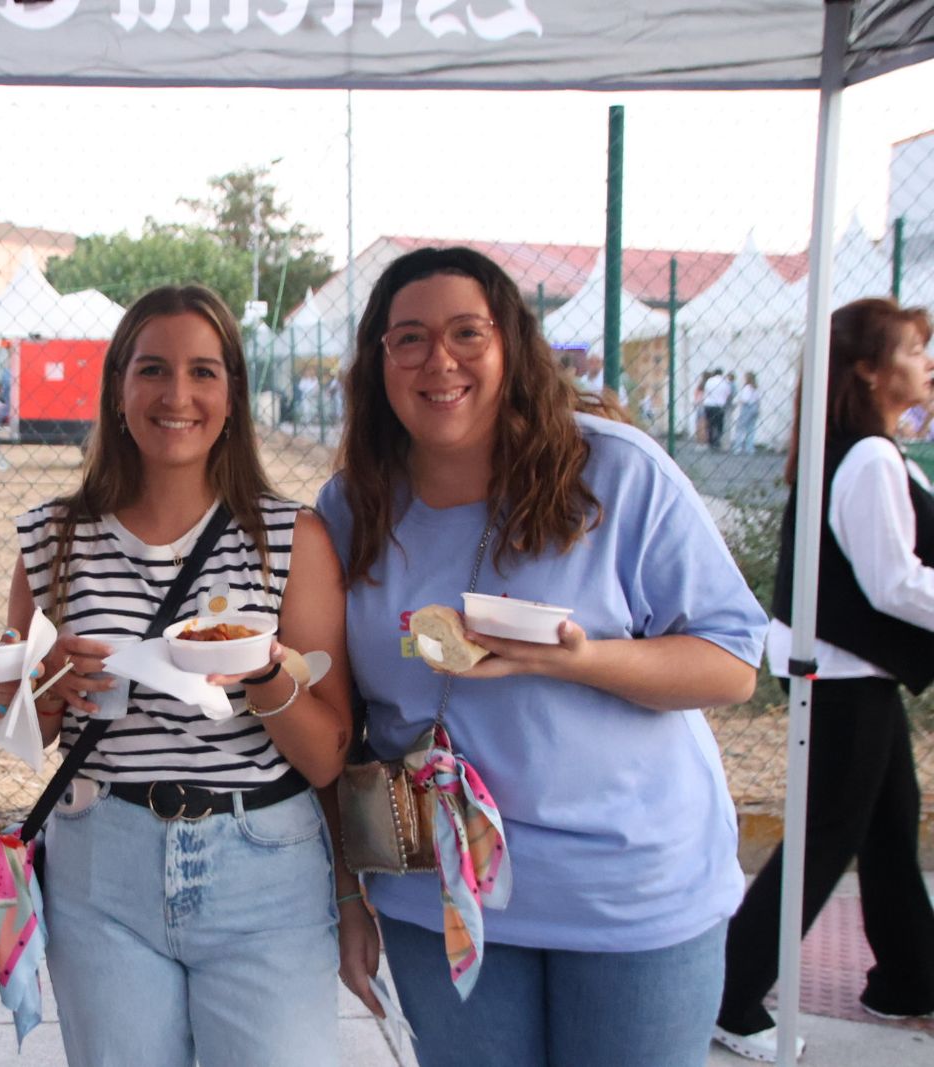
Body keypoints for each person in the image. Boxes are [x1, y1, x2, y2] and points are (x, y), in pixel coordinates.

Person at [318, 247, 768, 1067]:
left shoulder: (615, 473)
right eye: (408, 338)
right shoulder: (353, 505)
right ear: (378, 362)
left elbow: (732, 661)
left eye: (466, 333)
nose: (438, 360)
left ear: (511, 345)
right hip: (442, 895)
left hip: (629, 892)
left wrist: (573, 659)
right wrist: (350, 890)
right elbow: (339, 719)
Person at [0, 284, 354, 1067]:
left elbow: (327, 754)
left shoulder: (292, 537)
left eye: (203, 372)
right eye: (152, 370)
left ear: (232, 394)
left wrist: (264, 674)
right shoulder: (54, 538)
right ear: (118, 389)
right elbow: (25, 735)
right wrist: (45, 684)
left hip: (264, 864)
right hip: (100, 863)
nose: (177, 394)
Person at [715, 297, 934, 1061]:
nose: (928, 362)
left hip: (852, 671)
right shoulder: (869, 456)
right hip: (842, 674)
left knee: (887, 826)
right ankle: (730, 992)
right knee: (822, 839)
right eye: (914, 349)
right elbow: (892, 582)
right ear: (870, 369)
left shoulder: (858, 449)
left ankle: (908, 977)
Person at [704, 367, 733, 450]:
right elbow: (728, 394)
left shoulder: (709, 381)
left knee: (710, 424)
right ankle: (717, 440)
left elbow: (706, 391)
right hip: (719, 405)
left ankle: (710, 441)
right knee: (719, 424)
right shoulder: (725, 382)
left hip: (709, 404)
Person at [734, 371, 761, 454]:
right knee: (751, 429)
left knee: (740, 428)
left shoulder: (747, 388)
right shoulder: (756, 388)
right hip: (755, 408)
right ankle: (750, 448)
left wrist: (739, 400)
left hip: (747, 408)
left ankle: (738, 447)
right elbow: (758, 399)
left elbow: (746, 399)